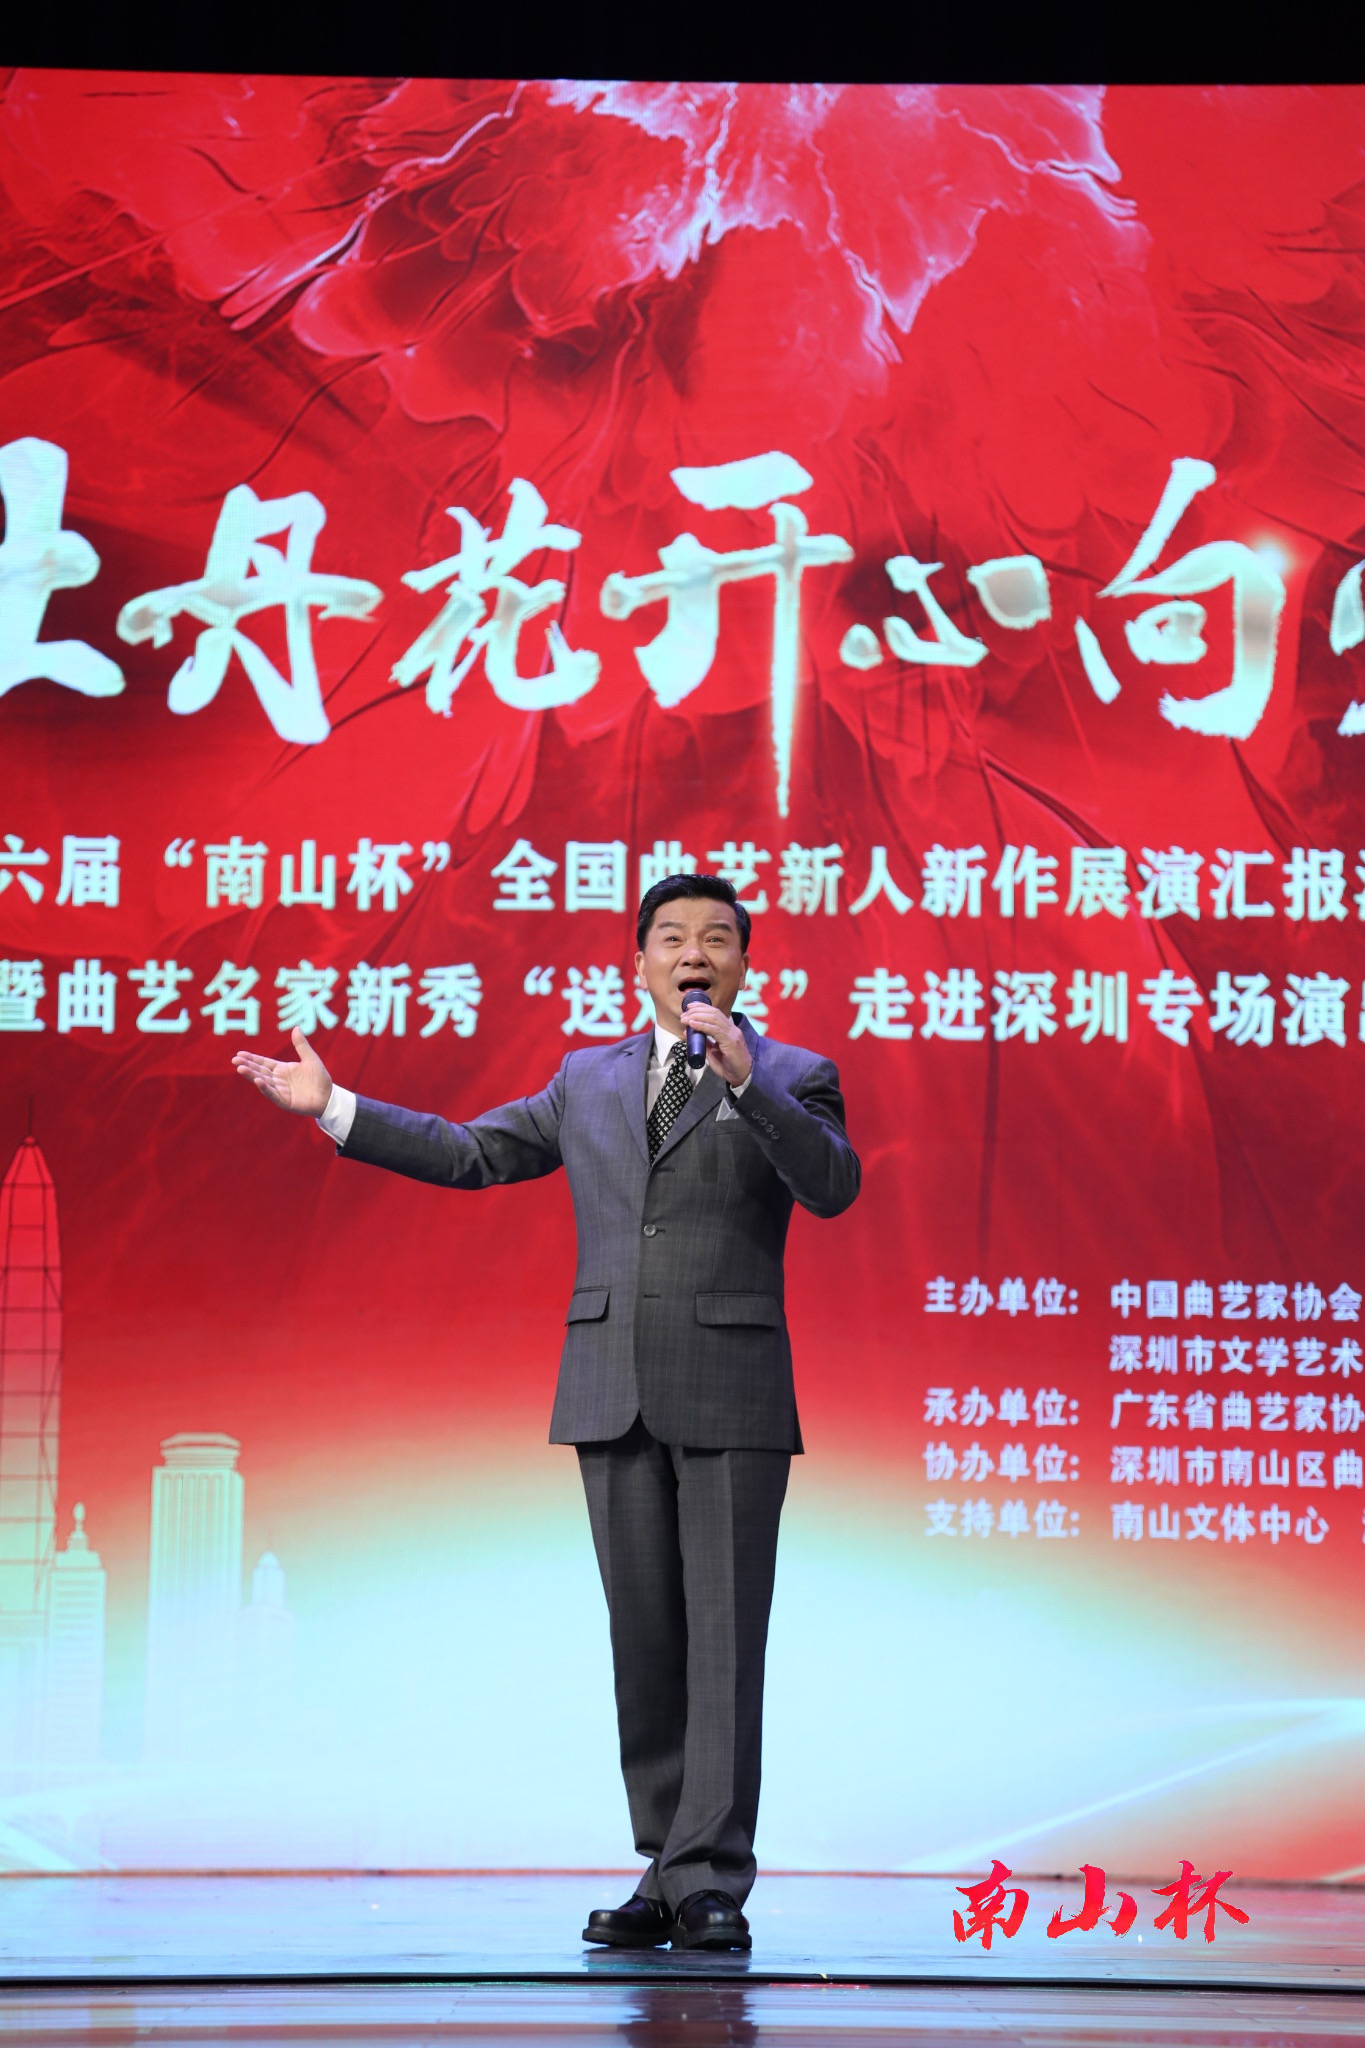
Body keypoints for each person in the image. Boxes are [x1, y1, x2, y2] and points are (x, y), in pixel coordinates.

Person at [232, 873, 860, 1951]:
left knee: (722, 1646)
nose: (694, 953)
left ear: (744, 966)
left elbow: (832, 1185)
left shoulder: (794, 1074)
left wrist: (750, 1084)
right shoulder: (586, 1078)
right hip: (609, 1382)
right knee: (644, 1644)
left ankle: (713, 1878)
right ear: (640, 962)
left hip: (733, 1390)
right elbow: (474, 1153)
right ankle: (664, 1867)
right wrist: (335, 1108)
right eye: (672, 937)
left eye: (717, 938)